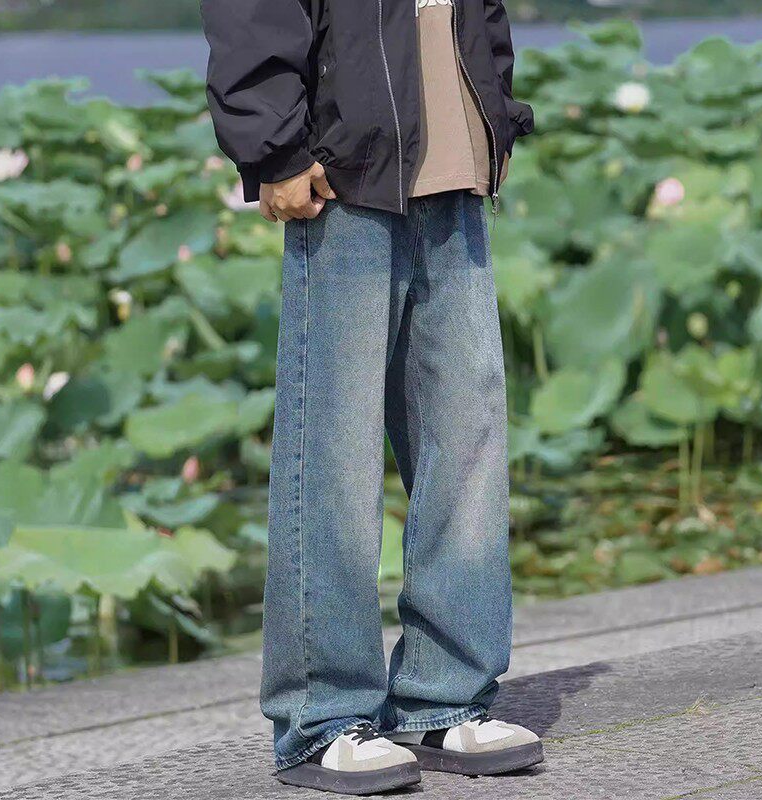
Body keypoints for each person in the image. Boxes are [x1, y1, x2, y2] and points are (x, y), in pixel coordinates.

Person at [202, 0, 538, 793]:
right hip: (344, 166)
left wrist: (494, 112)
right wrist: (274, 144)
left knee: (468, 443)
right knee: (335, 453)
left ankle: (443, 697)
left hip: (454, 157)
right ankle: (321, 716)